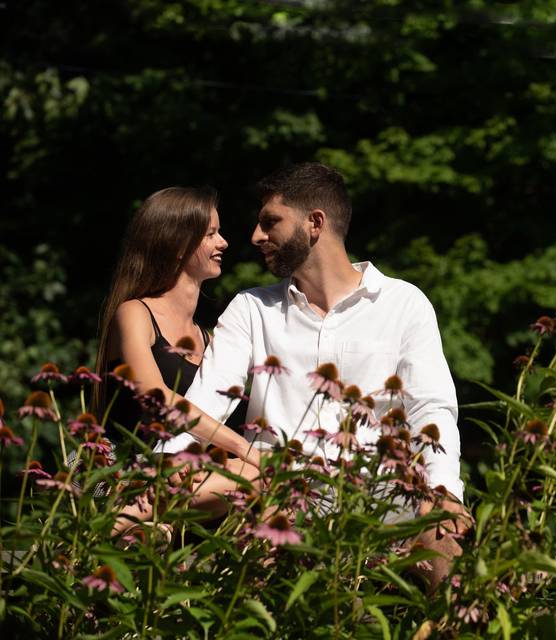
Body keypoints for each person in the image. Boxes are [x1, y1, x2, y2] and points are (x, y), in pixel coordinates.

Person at [161, 163, 470, 585]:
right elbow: (209, 399)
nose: (254, 236)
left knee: (445, 548)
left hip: (380, 495)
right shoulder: (252, 308)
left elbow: (431, 408)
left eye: (270, 221)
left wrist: (443, 489)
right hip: (281, 493)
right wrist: (165, 467)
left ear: (315, 223)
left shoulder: (403, 304)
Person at [93, 186, 261, 532]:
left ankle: (140, 518)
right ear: (177, 244)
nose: (224, 243)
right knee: (255, 471)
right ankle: (127, 516)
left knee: (264, 472)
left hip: (187, 480)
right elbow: (156, 396)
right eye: (211, 233)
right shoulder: (134, 314)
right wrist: (240, 447)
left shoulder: (211, 340)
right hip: (127, 471)